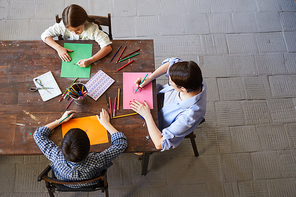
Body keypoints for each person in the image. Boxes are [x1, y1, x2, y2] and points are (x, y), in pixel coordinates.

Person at [33, 109, 127, 188]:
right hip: (91, 181)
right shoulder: (97, 160)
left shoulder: (56, 156)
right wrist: (106, 124)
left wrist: (61, 120)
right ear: (89, 148)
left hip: (64, 181)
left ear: (62, 146)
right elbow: (121, 143)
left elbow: (38, 134)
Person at [130, 57, 206, 151]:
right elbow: (172, 64)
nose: (169, 82)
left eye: (171, 82)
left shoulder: (189, 117)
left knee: (132, 137)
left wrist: (147, 115)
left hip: (158, 121)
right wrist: (150, 77)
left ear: (182, 89)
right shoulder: (194, 76)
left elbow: (159, 144)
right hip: (160, 98)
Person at [41, 4, 112, 67]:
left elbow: (107, 47)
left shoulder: (92, 29)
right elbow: (45, 35)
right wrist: (58, 48)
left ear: (84, 22)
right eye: (70, 31)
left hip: (90, 54)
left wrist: (91, 60)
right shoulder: (62, 26)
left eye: (78, 29)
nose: (75, 33)